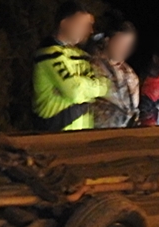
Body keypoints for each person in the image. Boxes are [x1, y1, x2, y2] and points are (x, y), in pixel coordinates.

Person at [32, 1, 109, 132]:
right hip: (56, 136)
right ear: (65, 23)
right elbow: (74, 91)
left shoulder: (80, 54)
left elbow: (105, 86)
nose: (89, 31)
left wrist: (81, 86)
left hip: (82, 134)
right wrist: (88, 87)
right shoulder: (48, 54)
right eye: (81, 24)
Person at [87, 11, 139, 128]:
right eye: (121, 43)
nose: (125, 48)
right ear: (107, 41)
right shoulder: (90, 66)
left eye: (129, 44)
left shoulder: (130, 74)